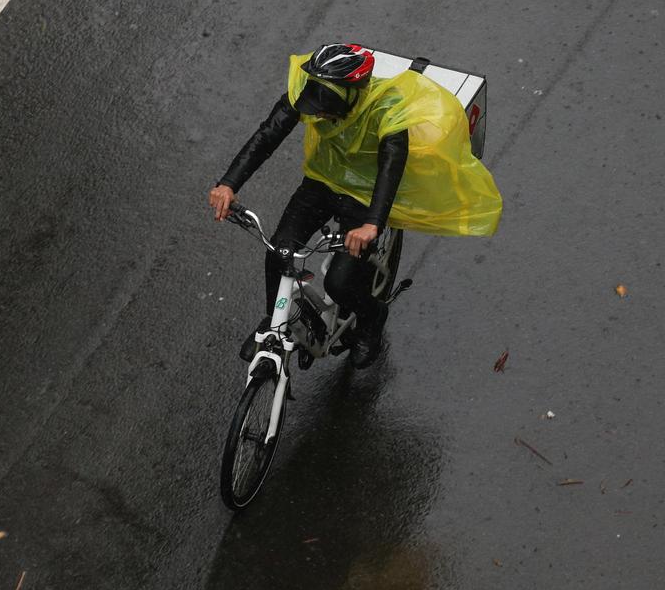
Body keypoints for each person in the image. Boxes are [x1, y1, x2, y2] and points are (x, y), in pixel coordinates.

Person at [208, 43, 503, 367]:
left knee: (341, 282)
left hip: (365, 198)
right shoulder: (307, 91)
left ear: (351, 97)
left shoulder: (388, 111)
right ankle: (273, 322)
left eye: (324, 109)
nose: (316, 114)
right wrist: (229, 183)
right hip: (322, 182)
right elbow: (267, 135)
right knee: (279, 252)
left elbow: (391, 168)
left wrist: (372, 224)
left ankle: (372, 317)